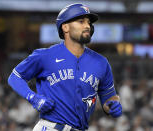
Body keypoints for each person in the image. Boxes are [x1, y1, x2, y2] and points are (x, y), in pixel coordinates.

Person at [8, 3, 122, 131]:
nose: (87, 26)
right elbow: (15, 77)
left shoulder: (101, 62)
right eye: (81, 21)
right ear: (65, 27)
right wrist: (33, 98)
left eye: (89, 23)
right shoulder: (45, 55)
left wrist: (112, 105)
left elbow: (108, 97)